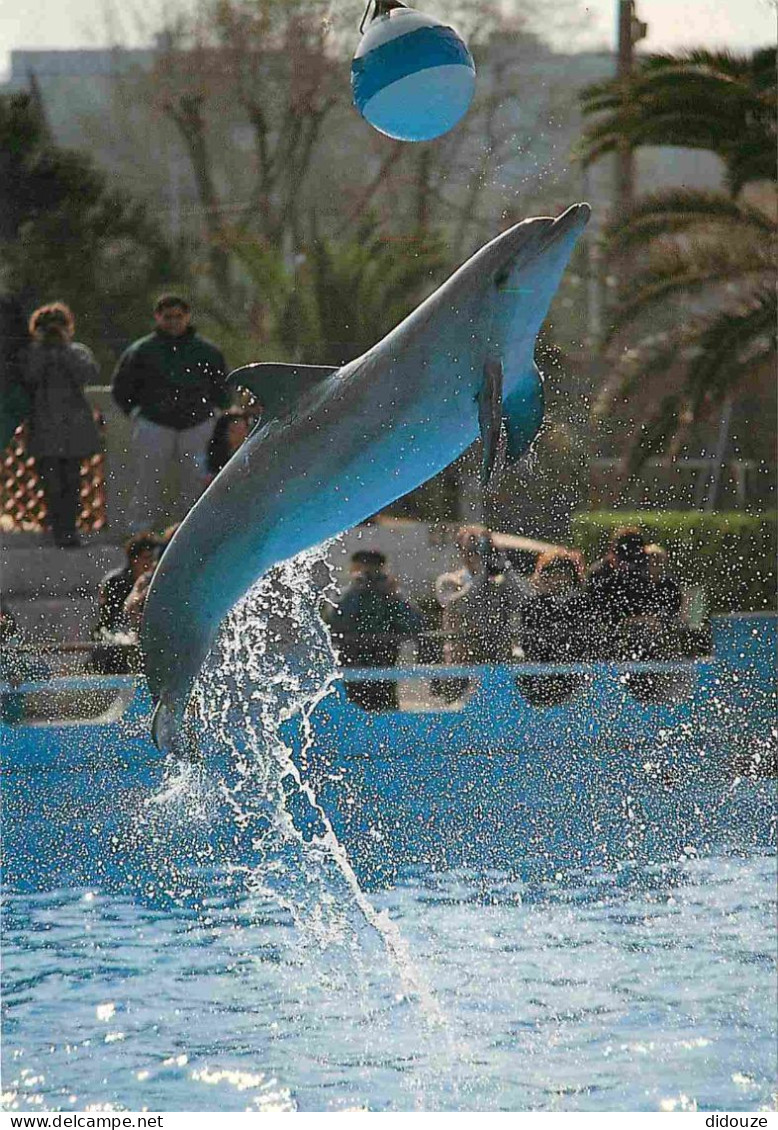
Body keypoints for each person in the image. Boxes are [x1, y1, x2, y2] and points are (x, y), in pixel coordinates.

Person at [111, 294, 231, 531]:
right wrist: (135, 412)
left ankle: (194, 534)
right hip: (155, 425)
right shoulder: (142, 351)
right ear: (157, 318)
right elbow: (121, 386)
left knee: (196, 483)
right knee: (148, 482)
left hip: (197, 425)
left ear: (187, 316)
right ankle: (140, 534)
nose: (174, 322)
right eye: (168, 317)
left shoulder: (206, 351)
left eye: (178, 316)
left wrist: (217, 411)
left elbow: (222, 385)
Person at [21, 303, 101, 548]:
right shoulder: (31, 354)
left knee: (72, 484)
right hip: (44, 430)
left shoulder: (78, 351)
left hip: (72, 431)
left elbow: (88, 374)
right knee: (51, 484)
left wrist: (64, 350)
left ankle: (69, 529)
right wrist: (45, 351)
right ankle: (57, 528)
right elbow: (28, 377)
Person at [323, 550, 423, 711]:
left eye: (375, 570)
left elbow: (416, 623)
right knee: (351, 711)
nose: (370, 576)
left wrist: (394, 595)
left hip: (384, 663)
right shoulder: (346, 594)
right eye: (364, 569)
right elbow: (334, 619)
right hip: (352, 663)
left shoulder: (391, 593)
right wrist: (355, 590)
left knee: (385, 710)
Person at [438, 527, 531, 664]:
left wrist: (505, 567)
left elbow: (525, 598)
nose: (475, 556)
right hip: (462, 657)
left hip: (497, 656)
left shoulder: (499, 581)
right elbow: (459, 604)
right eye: (471, 550)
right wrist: (482, 574)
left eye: (480, 551)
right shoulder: (449, 581)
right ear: (461, 552)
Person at [519, 549, 586, 705]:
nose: (559, 578)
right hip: (541, 671)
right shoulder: (533, 605)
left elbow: (586, 640)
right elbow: (528, 643)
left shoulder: (582, 603)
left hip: (575, 671)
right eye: (554, 573)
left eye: (564, 572)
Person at [91, 532, 159, 673]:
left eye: (153, 559)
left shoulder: (155, 582)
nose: (151, 564)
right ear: (134, 559)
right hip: (113, 636)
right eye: (146, 558)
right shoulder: (115, 582)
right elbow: (112, 617)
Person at [206, 408, 253, 482]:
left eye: (244, 429)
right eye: (233, 430)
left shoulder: (251, 453)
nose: (242, 434)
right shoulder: (217, 462)